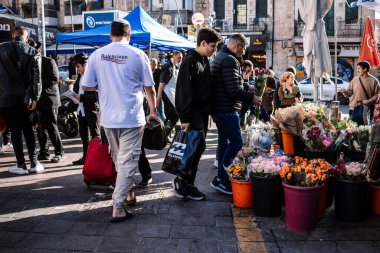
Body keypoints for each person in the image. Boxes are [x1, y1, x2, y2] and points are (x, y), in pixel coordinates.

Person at [81, 20, 158, 222]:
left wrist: (105, 86)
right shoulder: (138, 54)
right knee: (127, 161)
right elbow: (149, 87)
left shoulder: (97, 55)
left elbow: (86, 85)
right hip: (132, 117)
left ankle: (130, 193)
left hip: (109, 118)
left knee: (120, 161)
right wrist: (153, 111)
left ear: (110, 35)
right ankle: (118, 206)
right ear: (129, 35)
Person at [173, 28, 222, 200]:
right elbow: (183, 91)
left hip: (202, 114)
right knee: (193, 148)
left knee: (198, 148)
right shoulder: (190, 61)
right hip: (192, 114)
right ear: (202, 43)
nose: (214, 50)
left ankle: (188, 182)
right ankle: (182, 181)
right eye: (213, 46)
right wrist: (184, 117)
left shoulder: (204, 60)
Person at [210, 33, 261, 195]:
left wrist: (246, 87)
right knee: (237, 142)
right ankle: (223, 178)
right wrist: (252, 97)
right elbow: (232, 90)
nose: (243, 52)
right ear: (237, 45)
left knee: (224, 143)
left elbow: (229, 84)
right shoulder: (229, 60)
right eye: (244, 48)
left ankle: (220, 179)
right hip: (227, 108)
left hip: (219, 107)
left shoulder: (221, 56)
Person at [0, 26, 43, 174]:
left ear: (13, 35)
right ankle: (34, 162)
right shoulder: (33, 51)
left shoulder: (1, 49)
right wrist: (35, 98)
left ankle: (20, 165)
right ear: (27, 36)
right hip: (27, 98)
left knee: (15, 131)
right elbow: (37, 79)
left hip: (7, 98)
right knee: (28, 130)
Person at [29, 41, 65, 163]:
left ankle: (59, 152)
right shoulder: (30, 63)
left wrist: (37, 85)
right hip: (37, 101)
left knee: (51, 127)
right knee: (40, 128)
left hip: (50, 100)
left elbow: (54, 79)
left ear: (38, 50)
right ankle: (44, 152)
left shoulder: (49, 61)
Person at [71, 53, 100, 165]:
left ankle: (96, 158)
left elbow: (96, 96)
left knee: (95, 136)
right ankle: (85, 156)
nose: (78, 70)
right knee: (84, 136)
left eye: (78, 67)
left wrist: (81, 97)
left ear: (85, 65)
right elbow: (77, 90)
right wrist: (73, 96)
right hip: (80, 109)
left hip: (91, 110)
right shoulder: (80, 76)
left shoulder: (94, 76)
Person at [340, 61, 379, 125]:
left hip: (367, 109)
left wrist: (369, 101)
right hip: (353, 108)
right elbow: (349, 93)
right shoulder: (355, 79)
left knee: (364, 129)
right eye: (357, 68)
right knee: (352, 128)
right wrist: (345, 92)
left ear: (365, 69)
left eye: (359, 68)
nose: (357, 70)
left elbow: (377, 95)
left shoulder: (374, 81)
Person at [156, 51, 183, 137]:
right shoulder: (168, 67)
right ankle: (163, 135)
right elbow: (161, 84)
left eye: (181, 58)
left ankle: (162, 136)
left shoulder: (174, 66)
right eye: (179, 58)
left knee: (169, 116)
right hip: (166, 94)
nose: (180, 59)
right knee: (175, 115)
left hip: (171, 95)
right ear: (174, 56)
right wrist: (158, 97)